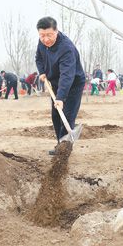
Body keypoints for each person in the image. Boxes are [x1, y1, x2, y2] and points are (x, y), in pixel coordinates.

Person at [35, 16, 85, 155]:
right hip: (55, 83)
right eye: (42, 35)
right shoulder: (42, 42)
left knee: (67, 115)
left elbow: (67, 75)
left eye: (49, 35)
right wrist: (42, 72)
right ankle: (60, 145)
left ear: (56, 31)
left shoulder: (66, 48)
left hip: (73, 83)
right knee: (56, 116)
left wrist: (61, 97)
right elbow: (38, 58)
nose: (46, 39)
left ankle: (64, 151)